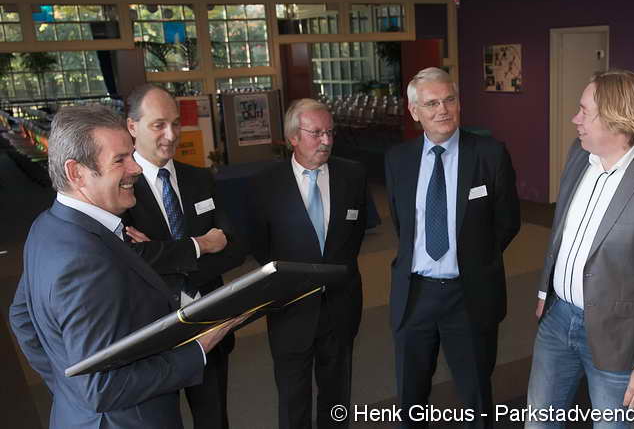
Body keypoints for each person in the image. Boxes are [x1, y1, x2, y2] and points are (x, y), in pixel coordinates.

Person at [9, 105, 235, 429]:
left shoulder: (45, 227)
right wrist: (199, 346)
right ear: (76, 173)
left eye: (131, 155)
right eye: (120, 160)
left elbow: (22, 318)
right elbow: (101, 388)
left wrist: (69, 391)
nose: (136, 168)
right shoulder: (86, 260)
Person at [526, 69, 634, 428]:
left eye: (584, 111)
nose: (575, 119)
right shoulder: (578, 154)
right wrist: (545, 289)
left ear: (617, 118)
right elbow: (560, 232)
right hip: (557, 321)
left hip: (620, 336)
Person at [384, 67, 521, 428]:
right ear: (414, 111)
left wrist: (475, 259)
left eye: (449, 100)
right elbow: (404, 226)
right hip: (415, 295)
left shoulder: (489, 153)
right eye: (432, 103)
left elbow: (508, 222)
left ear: (459, 103)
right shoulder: (398, 159)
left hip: (469, 294)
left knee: (476, 396)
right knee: (410, 398)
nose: (442, 110)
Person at [123, 84, 246, 429]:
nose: (171, 134)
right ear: (132, 126)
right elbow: (132, 258)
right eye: (158, 125)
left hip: (209, 324)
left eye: (175, 123)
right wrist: (201, 245)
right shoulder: (121, 187)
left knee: (214, 420)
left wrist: (162, 254)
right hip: (151, 333)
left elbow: (236, 247)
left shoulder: (199, 178)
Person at [248, 98, 367, 429]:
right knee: (293, 400)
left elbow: (354, 235)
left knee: (337, 397)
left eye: (330, 132)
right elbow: (259, 244)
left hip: (340, 306)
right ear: (293, 137)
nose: (326, 141)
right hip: (291, 308)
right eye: (316, 133)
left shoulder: (353, 175)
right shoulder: (265, 183)